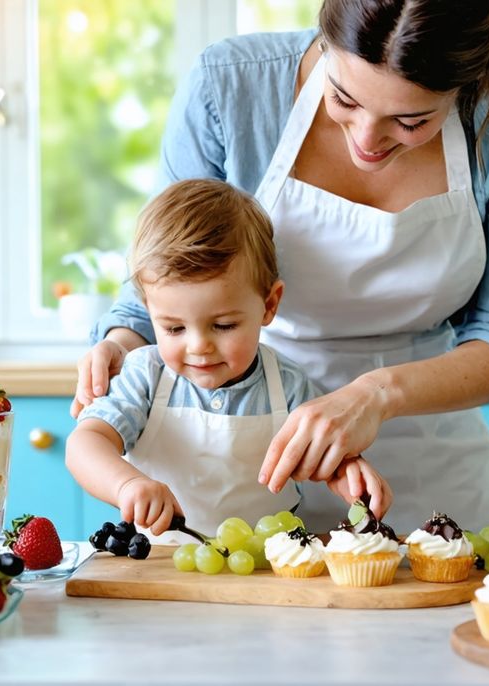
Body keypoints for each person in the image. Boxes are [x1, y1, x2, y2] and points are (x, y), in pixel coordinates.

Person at [73, 0, 489, 534]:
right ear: (326, 41)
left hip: (436, 463)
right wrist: (121, 344)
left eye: (410, 120)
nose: (366, 142)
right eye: (343, 98)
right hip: (253, 472)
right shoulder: (229, 84)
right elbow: (166, 271)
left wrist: (375, 395)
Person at [66, 178, 392, 537]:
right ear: (149, 311)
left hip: (266, 563)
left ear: (269, 305)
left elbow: (324, 453)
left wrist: (347, 471)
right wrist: (126, 484)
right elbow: (85, 443)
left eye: (223, 325)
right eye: (174, 328)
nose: (198, 346)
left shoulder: (288, 384)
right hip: (158, 562)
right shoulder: (145, 375)